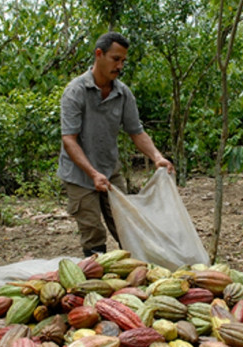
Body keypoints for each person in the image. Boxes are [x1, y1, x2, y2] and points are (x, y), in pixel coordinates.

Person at [57, 32, 175, 257]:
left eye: (123, 61)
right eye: (115, 59)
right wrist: (92, 174)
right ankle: (98, 276)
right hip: (80, 175)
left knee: (126, 225)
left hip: (110, 171)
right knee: (93, 231)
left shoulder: (123, 94)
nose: (120, 65)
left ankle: (136, 274)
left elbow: (136, 132)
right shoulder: (75, 92)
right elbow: (68, 140)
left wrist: (157, 157)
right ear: (99, 54)